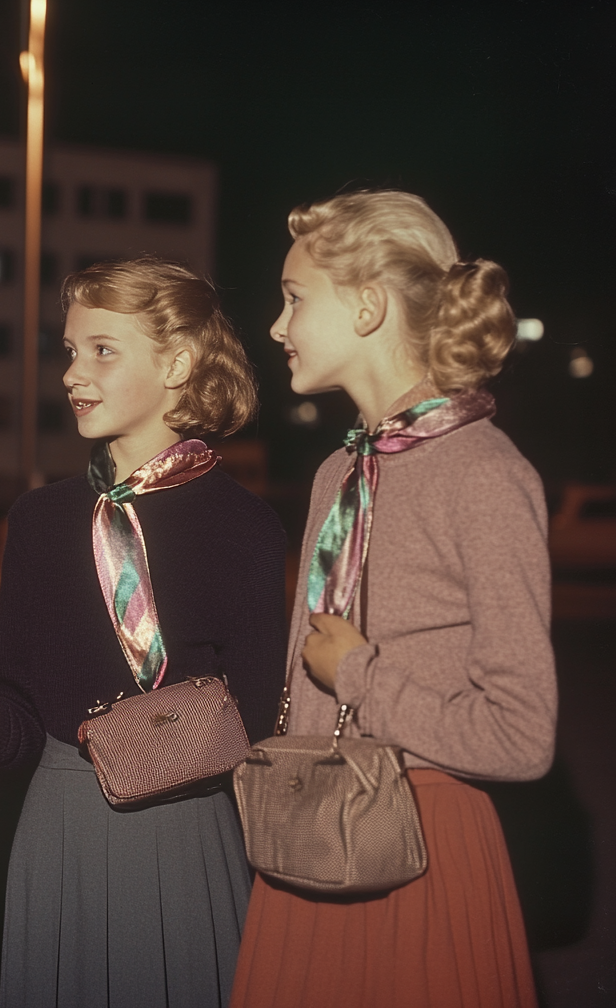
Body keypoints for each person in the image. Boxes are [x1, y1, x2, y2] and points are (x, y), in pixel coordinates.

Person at [230, 190, 556, 1008]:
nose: (277, 324)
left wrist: (362, 677)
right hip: (307, 832)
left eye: (296, 298)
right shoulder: (337, 473)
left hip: (420, 847)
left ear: (368, 306)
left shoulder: (486, 475)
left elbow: (523, 737)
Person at [0, 257, 287, 1008]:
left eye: (102, 349)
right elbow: (21, 714)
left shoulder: (246, 528)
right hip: (60, 830)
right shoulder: (37, 521)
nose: (73, 372)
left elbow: (259, 720)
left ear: (178, 363)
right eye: (69, 350)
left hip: (187, 831)